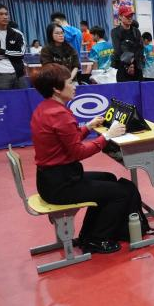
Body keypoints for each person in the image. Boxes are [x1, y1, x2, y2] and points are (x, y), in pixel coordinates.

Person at [30, 63, 132, 254]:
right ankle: (97, 239)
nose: (74, 86)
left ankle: (88, 234)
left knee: (109, 178)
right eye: (70, 82)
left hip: (50, 179)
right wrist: (107, 136)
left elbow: (67, 141)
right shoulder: (59, 114)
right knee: (121, 193)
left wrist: (88, 127)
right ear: (56, 89)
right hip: (62, 185)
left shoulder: (44, 108)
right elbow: (78, 152)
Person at [0, 4, 26, 90]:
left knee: (22, 97)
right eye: (1, 14)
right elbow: (16, 54)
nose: (5, 17)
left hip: (18, 73)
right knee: (3, 98)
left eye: (6, 14)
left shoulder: (17, 34)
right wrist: (12, 54)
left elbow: (21, 54)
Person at [111, 5, 144, 82]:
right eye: (127, 16)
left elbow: (140, 48)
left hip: (136, 67)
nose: (130, 18)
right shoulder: (115, 32)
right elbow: (118, 50)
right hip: (122, 67)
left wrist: (133, 63)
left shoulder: (136, 31)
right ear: (120, 17)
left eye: (131, 16)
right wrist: (128, 65)